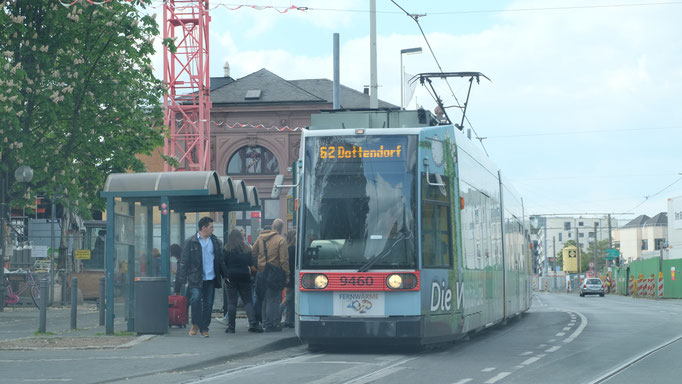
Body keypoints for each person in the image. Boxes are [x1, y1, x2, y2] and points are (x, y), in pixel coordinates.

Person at [174, 217, 224, 338]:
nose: (213, 229)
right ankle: (195, 323)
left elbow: (220, 260)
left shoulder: (216, 241)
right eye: (211, 227)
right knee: (195, 300)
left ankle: (204, 328)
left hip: (210, 278)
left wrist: (225, 275)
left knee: (208, 304)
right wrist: (181, 280)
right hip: (195, 278)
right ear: (204, 228)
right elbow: (184, 262)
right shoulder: (190, 241)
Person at [220, 229, 263, 333]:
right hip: (244, 277)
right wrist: (252, 275)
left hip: (230, 277)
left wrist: (225, 276)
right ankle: (253, 323)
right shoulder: (246, 249)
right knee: (248, 301)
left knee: (231, 302)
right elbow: (251, 265)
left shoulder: (226, 249)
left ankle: (231, 327)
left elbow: (222, 264)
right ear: (240, 237)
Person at [252, 219, 289, 332]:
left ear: (273, 226)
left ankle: (263, 322)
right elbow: (284, 260)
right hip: (275, 272)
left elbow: (253, 252)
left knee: (263, 298)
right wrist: (287, 274)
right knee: (274, 299)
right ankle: (270, 324)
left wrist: (258, 265)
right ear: (281, 228)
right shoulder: (280, 240)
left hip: (261, 272)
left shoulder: (260, 238)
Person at [281, 229, 296, 328]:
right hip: (291, 277)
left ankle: (288, 320)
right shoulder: (293, 249)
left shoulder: (287, 248)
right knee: (288, 299)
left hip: (288, 277)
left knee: (290, 300)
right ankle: (277, 315)